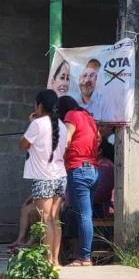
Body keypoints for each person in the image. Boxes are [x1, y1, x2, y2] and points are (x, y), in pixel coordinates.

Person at [20, 90, 68, 267]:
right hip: (60, 176)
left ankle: (48, 261)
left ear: (39, 105)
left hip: (44, 177)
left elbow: (23, 145)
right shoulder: (62, 125)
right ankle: (55, 260)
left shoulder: (37, 124)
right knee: (55, 219)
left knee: (46, 219)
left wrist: (31, 122)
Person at [58, 95, 101, 267]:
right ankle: (81, 255)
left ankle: (84, 257)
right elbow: (98, 139)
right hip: (92, 170)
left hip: (78, 169)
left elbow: (66, 140)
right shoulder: (88, 117)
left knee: (83, 216)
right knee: (83, 215)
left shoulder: (71, 115)